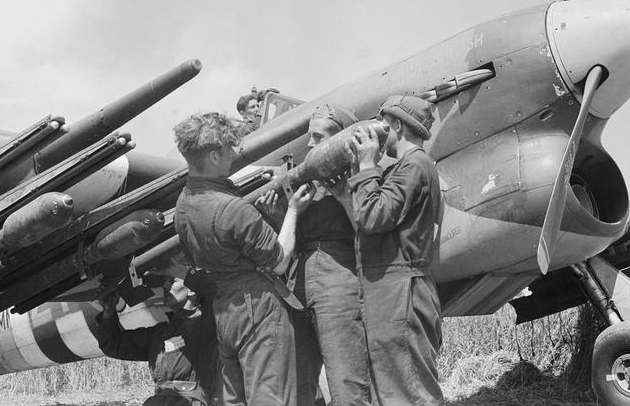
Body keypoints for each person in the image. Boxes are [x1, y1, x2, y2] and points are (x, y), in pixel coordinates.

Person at [172, 112, 313, 405]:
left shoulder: (183, 204)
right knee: (271, 396)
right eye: (228, 149)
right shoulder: (234, 209)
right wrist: (293, 211)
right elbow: (279, 260)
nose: (234, 153)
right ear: (213, 156)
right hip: (259, 305)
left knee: (234, 397)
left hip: (226, 308)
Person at [260, 103, 371, 405]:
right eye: (310, 137)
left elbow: (370, 229)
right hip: (299, 285)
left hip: (339, 282)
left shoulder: (361, 177)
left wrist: (344, 195)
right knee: (298, 381)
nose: (310, 144)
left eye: (319, 137)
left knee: (347, 380)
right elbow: (288, 246)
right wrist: (279, 215)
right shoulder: (304, 179)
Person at [339, 95, 444, 405]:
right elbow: (370, 221)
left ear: (397, 125)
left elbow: (373, 217)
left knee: (410, 391)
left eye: (383, 124)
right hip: (392, 292)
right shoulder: (408, 168)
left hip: (401, 294)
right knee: (393, 387)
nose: (378, 132)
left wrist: (368, 164)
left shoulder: (413, 166)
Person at [95, 277, 216, 406]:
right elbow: (114, 344)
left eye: (172, 280)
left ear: (192, 290)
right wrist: (109, 311)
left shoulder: (208, 325)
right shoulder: (160, 333)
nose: (164, 286)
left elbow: (217, 289)